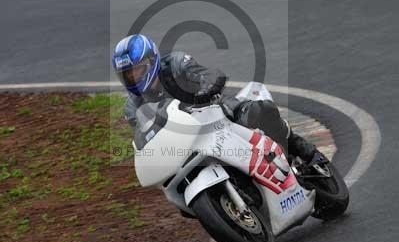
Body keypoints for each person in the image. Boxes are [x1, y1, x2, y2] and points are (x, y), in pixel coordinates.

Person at [112, 34, 326, 166]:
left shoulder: (176, 64)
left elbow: (210, 74)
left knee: (260, 112)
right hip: (186, 142)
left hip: (217, 113)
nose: (135, 78)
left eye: (138, 70)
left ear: (151, 61)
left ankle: (305, 153)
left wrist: (206, 88)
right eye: (128, 75)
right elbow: (144, 135)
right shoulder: (133, 106)